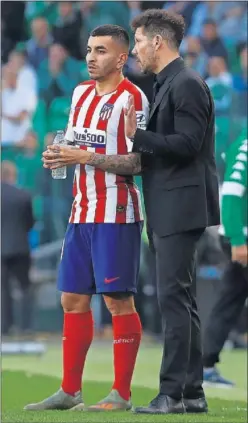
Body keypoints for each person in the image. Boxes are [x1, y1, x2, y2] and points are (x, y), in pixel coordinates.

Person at [24, 24, 149, 412]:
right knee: (72, 299)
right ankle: (69, 391)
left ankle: (121, 395)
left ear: (122, 58)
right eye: (90, 50)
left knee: (117, 301)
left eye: (101, 51)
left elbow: (139, 162)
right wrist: (58, 152)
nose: (91, 58)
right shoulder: (79, 94)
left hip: (117, 211)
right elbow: (75, 144)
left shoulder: (134, 99)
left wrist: (86, 158)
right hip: (81, 210)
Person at [124, 9, 220, 414]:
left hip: (181, 205)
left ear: (158, 42)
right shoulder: (172, 82)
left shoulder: (186, 83)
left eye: (140, 41)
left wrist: (138, 137)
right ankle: (192, 393)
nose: (135, 49)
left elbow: (188, 142)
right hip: (174, 204)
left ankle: (171, 394)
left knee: (173, 302)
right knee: (183, 301)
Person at [203, 127, 248, 387]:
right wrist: (239, 242)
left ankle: (205, 366)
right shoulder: (245, 146)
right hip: (240, 235)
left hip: (238, 234)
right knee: (229, 299)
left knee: (229, 299)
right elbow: (231, 193)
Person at [1, 161, 34, 335]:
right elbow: (30, 223)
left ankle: (5, 327)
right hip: (21, 248)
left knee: (3, 289)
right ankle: (26, 326)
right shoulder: (23, 195)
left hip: (1, 250)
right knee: (25, 288)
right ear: (12, 175)